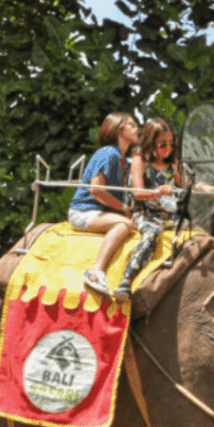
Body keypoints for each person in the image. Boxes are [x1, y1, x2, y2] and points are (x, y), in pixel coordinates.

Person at [67, 112, 140, 296]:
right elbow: (97, 190)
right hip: (84, 211)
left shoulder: (121, 159)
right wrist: (123, 209)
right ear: (120, 129)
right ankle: (96, 271)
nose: (137, 128)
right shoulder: (109, 153)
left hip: (99, 212)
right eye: (132, 125)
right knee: (125, 224)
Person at [113, 117, 183, 300]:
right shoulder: (140, 159)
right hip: (145, 213)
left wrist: (199, 187)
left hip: (169, 214)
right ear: (151, 143)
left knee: (194, 232)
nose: (167, 149)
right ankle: (126, 280)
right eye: (162, 145)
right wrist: (158, 192)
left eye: (171, 144)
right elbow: (137, 193)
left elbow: (183, 184)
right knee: (152, 233)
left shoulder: (172, 162)